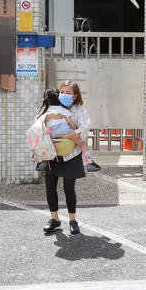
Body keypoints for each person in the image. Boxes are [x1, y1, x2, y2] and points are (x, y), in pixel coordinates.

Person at [35, 82, 92, 235]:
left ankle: (73, 220)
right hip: (52, 155)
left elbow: (84, 128)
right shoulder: (51, 107)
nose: (64, 95)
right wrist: (49, 116)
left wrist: (66, 136)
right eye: (62, 91)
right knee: (50, 187)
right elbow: (37, 123)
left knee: (69, 188)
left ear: (75, 95)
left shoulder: (79, 111)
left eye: (68, 92)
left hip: (71, 154)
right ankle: (54, 219)